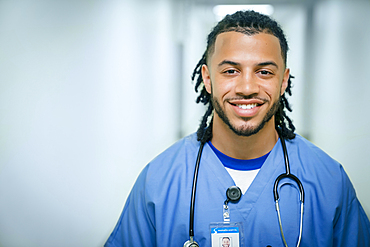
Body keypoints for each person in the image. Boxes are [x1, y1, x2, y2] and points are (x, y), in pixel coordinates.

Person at [104, 10, 370, 247]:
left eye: (264, 72)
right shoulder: (158, 181)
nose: (246, 88)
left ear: (284, 81)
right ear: (207, 79)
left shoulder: (328, 181)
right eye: (231, 71)